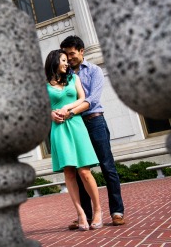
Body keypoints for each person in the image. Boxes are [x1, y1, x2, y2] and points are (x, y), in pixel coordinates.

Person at [58, 35, 125, 228]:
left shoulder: (94, 70)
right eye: (66, 55)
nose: (69, 58)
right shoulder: (65, 75)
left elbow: (92, 100)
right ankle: (86, 216)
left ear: (81, 51)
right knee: (80, 170)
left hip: (94, 121)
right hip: (75, 126)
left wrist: (69, 112)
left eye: (72, 54)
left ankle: (116, 211)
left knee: (107, 166)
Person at [45, 49, 103, 231]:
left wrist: (66, 107)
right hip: (59, 129)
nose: (66, 63)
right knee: (69, 173)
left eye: (66, 60)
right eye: (63, 60)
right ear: (54, 62)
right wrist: (51, 115)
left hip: (76, 125)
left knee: (85, 172)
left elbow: (83, 98)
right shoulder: (44, 85)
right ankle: (80, 214)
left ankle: (98, 210)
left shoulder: (73, 79)